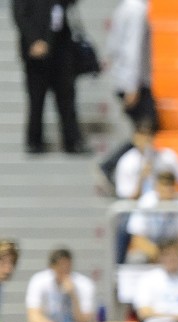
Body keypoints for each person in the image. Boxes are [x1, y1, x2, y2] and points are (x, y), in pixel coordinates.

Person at [12, 0, 87, 154]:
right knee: (36, 99)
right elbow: (20, 14)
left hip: (60, 50)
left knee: (66, 98)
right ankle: (34, 140)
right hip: (35, 54)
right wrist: (34, 40)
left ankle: (72, 140)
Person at [98, 0, 156, 192]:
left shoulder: (124, 7)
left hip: (124, 78)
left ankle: (121, 167)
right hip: (134, 83)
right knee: (148, 129)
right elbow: (133, 48)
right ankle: (111, 164)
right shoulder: (137, 10)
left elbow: (113, 45)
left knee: (144, 131)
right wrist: (132, 86)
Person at [125, 170, 178, 264]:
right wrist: (158, 255)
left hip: (175, 250)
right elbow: (137, 238)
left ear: (174, 187)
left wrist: (171, 255)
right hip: (151, 248)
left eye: (169, 186)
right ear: (156, 187)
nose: (166, 190)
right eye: (163, 185)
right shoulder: (145, 203)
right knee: (136, 259)